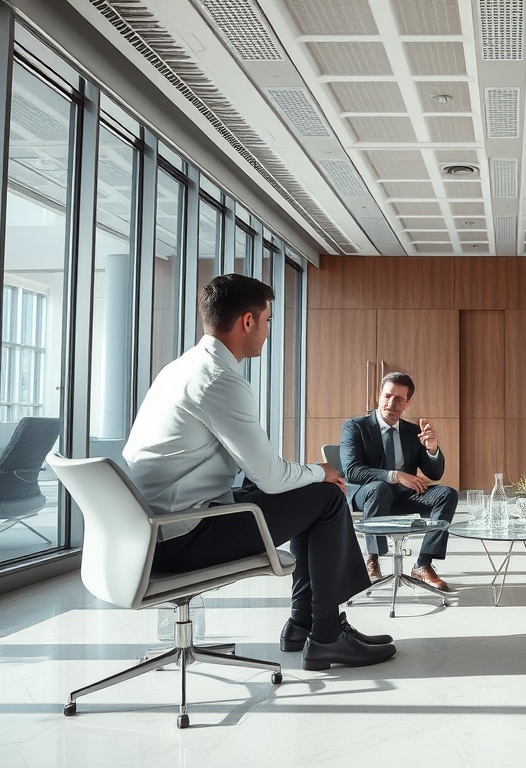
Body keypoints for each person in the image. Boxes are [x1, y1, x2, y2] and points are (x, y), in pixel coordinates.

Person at [122, 274, 395, 672]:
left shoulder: (181, 368)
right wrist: (320, 472)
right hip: (184, 535)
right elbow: (270, 476)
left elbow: (254, 469)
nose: (268, 332)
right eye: (268, 321)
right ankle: (327, 636)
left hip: (157, 528)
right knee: (327, 496)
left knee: (307, 493)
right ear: (247, 321)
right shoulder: (219, 380)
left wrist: (305, 476)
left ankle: (304, 623)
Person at [340, 371, 458, 592]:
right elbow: (352, 471)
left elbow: (434, 473)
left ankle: (423, 564)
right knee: (380, 487)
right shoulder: (356, 427)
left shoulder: (413, 432)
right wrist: (395, 475)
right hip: (367, 495)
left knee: (447, 493)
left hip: (403, 496)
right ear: (379, 396)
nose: (391, 403)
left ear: (408, 402)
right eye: (387, 396)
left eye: (399, 399)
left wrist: (432, 448)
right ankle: (373, 560)